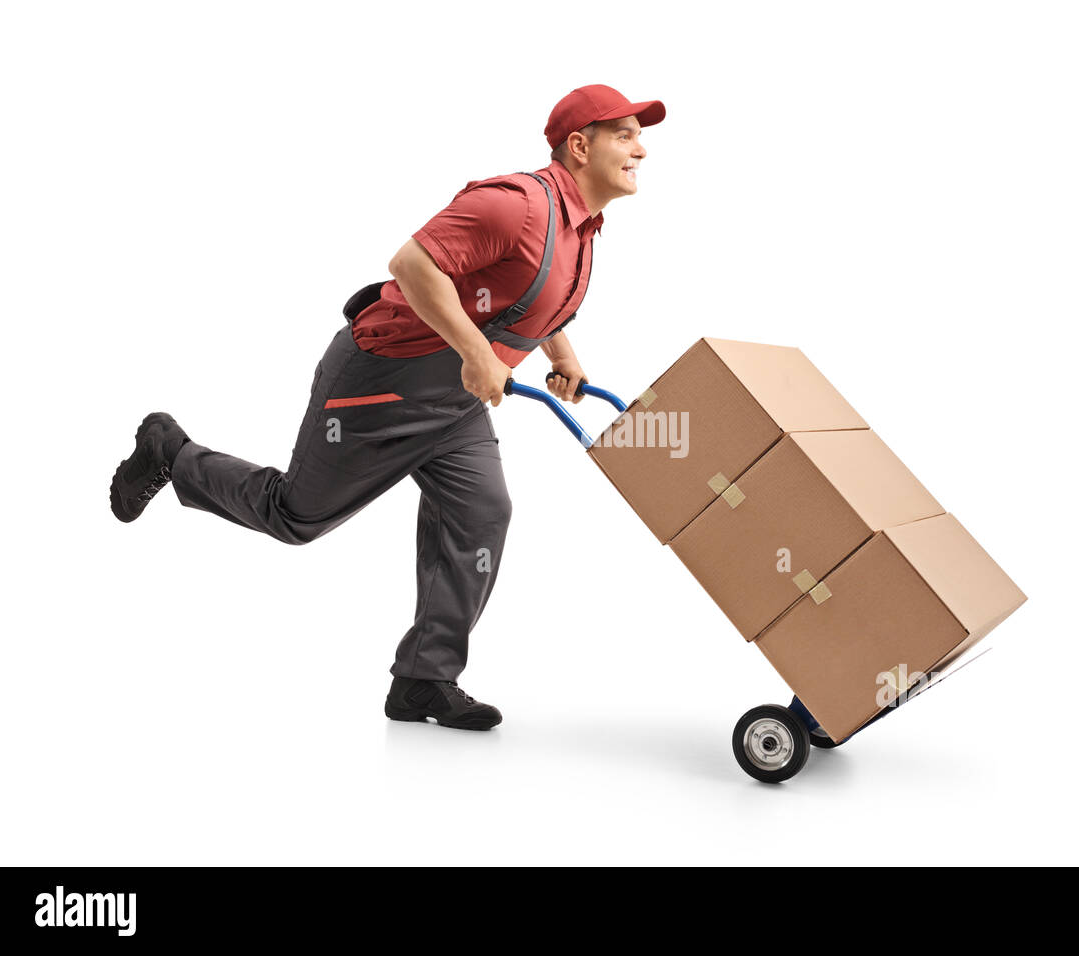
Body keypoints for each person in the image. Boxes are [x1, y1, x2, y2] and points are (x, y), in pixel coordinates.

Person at [109, 85, 665, 731]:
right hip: (381, 383)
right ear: (580, 145)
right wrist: (478, 356)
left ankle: (424, 681)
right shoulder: (515, 206)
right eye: (625, 134)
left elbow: (517, 294)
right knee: (296, 516)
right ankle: (171, 453)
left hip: (455, 403)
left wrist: (559, 353)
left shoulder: (582, 230)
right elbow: (414, 263)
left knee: (483, 513)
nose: (641, 149)